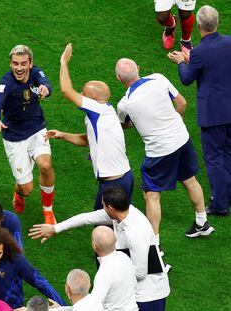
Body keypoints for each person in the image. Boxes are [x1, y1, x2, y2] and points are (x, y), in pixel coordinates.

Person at [114, 58, 214, 239]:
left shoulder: (124, 104)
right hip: (182, 138)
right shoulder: (158, 78)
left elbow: (124, 124)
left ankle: (154, 244)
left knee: (151, 195)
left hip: (159, 151)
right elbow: (182, 104)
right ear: (138, 67)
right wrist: (173, 125)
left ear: (120, 79)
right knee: (189, 179)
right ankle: (202, 222)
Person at [29, 186, 170, 310]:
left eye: (103, 205)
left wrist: (114, 276)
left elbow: (140, 273)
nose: (101, 208)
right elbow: (87, 218)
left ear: (110, 207)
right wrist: (55, 228)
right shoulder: (120, 213)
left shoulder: (135, 232)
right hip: (134, 292)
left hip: (149, 294)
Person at [46, 43, 133, 210]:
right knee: (117, 225)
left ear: (92, 99)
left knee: (102, 229)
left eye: (83, 94)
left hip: (113, 183)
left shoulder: (97, 110)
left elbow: (66, 90)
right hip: (123, 178)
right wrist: (62, 135)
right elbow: (88, 140)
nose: (80, 95)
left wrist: (64, 62)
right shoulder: (105, 112)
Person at [168, 5, 231, 216]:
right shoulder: (229, 42)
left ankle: (220, 205)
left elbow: (187, 78)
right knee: (229, 154)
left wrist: (180, 62)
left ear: (199, 25)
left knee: (214, 159)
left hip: (213, 114)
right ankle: (228, 195)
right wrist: (190, 60)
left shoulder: (200, 51)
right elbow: (214, 65)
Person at [0, 45, 56, 224]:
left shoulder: (36, 73)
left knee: (45, 165)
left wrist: (46, 90)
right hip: (14, 137)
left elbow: (47, 84)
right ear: (10, 63)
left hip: (36, 129)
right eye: (15, 63)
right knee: (26, 189)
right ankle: (19, 193)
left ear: (30, 63)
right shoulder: (7, 82)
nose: (19, 68)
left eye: (23, 63)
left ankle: (48, 210)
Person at [89, 226, 138, 310]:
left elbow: (95, 305)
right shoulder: (124, 257)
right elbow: (134, 284)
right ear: (115, 240)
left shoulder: (103, 273)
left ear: (95, 246)